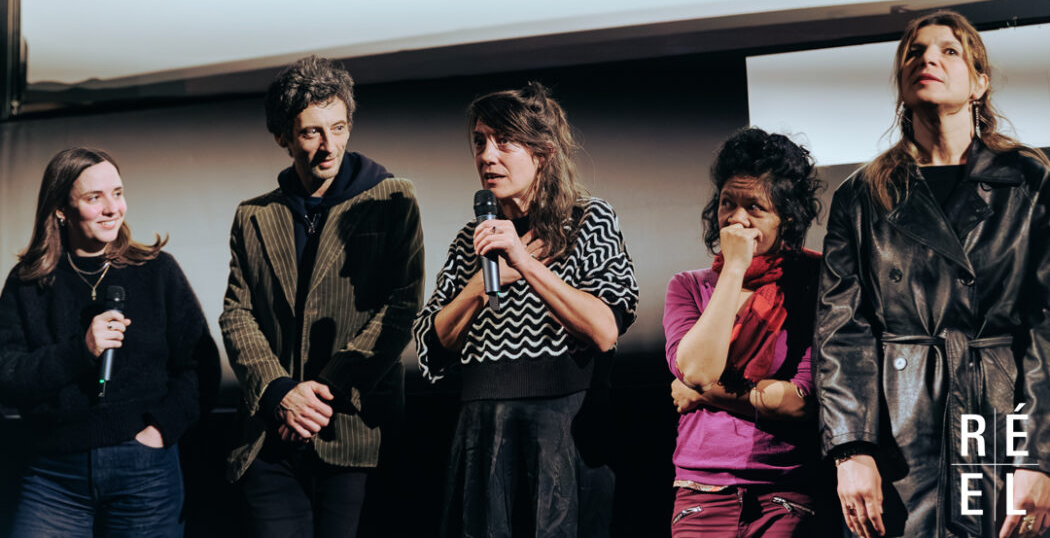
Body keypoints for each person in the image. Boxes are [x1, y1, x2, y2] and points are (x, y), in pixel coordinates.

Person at [816, 10, 1050, 538]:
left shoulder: (1029, 180)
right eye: (915, 52)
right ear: (901, 82)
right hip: (903, 425)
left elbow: (1047, 325)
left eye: (949, 51)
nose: (928, 59)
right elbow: (842, 332)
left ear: (979, 81)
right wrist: (851, 449)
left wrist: (1040, 456)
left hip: (1003, 411)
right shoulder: (862, 195)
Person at [413, 82, 639, 537]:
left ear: (543, 152)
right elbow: (429, 345)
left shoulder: (587, 220)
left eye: (504, 141)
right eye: (480, 142)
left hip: (562, 429)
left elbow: (604, 329)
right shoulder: (471, 239)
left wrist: (524, 262)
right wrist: (480, 284)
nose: (487, 155)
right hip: (482, 432)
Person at [219, 55, 424, 538]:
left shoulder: (392, 199)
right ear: (283, 138)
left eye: (338, 127)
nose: (328, 146)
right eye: (311, 132)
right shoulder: (254, 216)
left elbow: (401, 307)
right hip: (271, 435)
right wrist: (279, 393)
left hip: (354, 432)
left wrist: (316, 398)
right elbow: (236, 314)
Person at [0, 147, 217, 537]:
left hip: (143, 470)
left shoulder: (156, 271)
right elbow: (7, 374)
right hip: (52, 476)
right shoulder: (28, 282)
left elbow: (200, 366)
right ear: (61, 209)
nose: (111, 208)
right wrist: (79, 352)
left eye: (117, 193)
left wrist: (160, 431)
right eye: (94, 197)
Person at [663, 127, 824, 537]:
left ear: (785, 216)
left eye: (755, 207)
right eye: (727, 204)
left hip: (785, 489)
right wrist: (734, 268)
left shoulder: (814, 281)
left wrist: (703, 392)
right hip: (701, 488)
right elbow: (697, 368)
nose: (736, 220)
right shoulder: (689, 286)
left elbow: (799, 402)